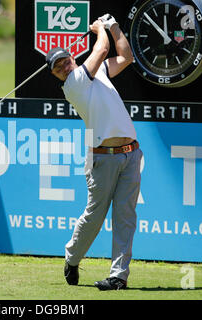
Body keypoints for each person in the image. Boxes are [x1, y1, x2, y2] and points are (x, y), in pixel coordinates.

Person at [46, 14, 143, 291]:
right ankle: (72, 257)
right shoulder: (73, 83)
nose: (63, 66)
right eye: (57, 67)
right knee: (95, 216)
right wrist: (101, 29)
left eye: (65, 60)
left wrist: (113, 27)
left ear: (72, 57)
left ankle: (118, 277)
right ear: (55, 75)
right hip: (103, 157)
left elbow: (125, 56)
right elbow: (101, 49)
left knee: (125, 216)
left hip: (131, 154)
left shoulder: (94, 71)